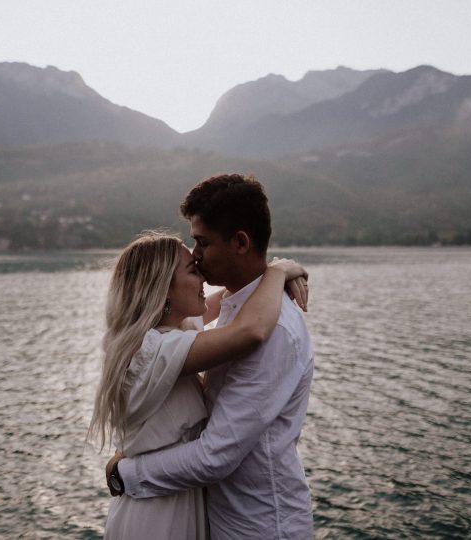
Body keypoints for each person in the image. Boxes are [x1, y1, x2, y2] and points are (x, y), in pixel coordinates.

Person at [106, 174, 315, 539]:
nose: (197, 257)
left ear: (239, 242)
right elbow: (244, 326)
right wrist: (278, 269)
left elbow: (215, 456)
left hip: (260, 526)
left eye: (201, 243)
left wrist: (127, 473)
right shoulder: (228, 316)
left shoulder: (271, 327)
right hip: (198, 515)